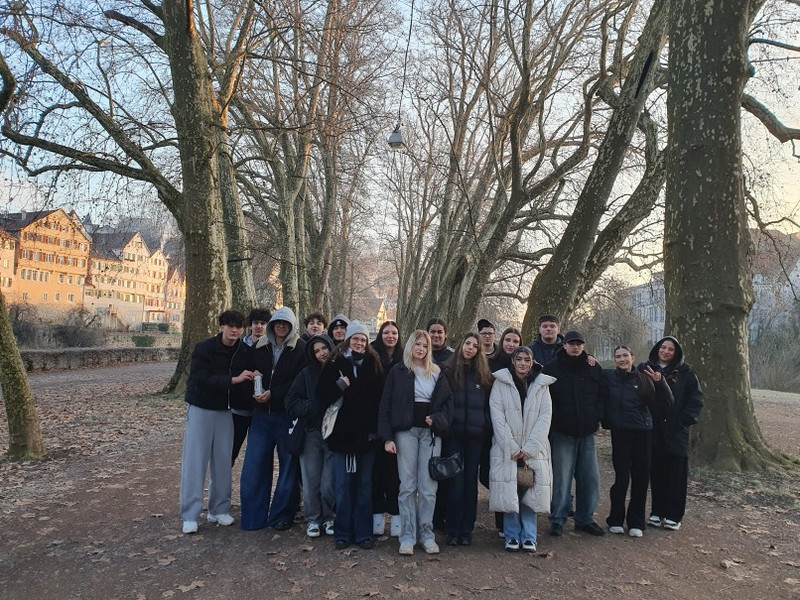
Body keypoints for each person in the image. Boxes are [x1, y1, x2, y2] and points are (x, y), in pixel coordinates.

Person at [179, 310, 255, 534]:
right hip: (201, 407)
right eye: (230, 326)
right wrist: (233, 380)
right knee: (196, 461)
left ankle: (219, 509)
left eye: (239, 327)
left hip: (226, 411)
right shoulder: (205, 348)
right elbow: (200, 378)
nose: (235, 330)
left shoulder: (245, 351)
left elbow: (253, 373)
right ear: (221, 326)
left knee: (223, 461)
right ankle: (191, 514)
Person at [378, 330, 453, 556]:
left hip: (430, 433)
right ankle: (407, 536)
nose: (420, 349)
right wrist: (387, 437)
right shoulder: (398, 372)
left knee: (428, 488)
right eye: (417, 344)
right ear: (410, 346)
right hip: (406, 432)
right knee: (408, 486)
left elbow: (448, 407)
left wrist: (437, 420)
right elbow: (386, 405)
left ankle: (427, 534)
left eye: (424, 345)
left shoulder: (438, 372)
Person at [317, 321, 384, 550]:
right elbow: (321, 395)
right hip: (342, 437)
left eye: (363, 340)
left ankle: (363, 532)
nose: (359, 343)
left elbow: (380, 400)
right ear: (348, 340)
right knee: (343, 486)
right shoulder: (335, 363)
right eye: (355, 339)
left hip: (366, 437)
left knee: (365, 485)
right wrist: (338, 387)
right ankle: (343, 532)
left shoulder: (374, 364)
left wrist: (376, 430)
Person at [240, 307, 307, 531]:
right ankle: (253, 516)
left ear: (291, 326)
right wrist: (254, 378)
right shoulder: (259, 347)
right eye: (278, 323)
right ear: (272, 326)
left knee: (288, 468)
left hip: (286, 417)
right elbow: (248, 371)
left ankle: (281, 515)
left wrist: (275, 394)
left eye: (285, 324)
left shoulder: (301, 349)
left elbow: (301, 381)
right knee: (255, 465)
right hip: (261, 417)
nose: (281, 327)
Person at [489, 346, 554, 552]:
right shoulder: (501, 383)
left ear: (532, 362)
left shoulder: (542, 385)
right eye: (519, 359)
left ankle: (529, 535)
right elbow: (497, 417)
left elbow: (545, 418)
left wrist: (529, 448)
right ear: (513, 361)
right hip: (507, 448)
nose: (523, 363)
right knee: (511, 491)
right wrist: (512, 446)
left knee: (530, 491)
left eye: (527, 359)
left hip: (532, 449)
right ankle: (511, 535)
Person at [603, 345, 672, 537]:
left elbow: (665, 403)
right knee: (621, 478)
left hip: (643, 432)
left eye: (625, 355)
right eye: (618, 356)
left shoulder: (644, 378)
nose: (622, 359)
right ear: (614, 359)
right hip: (620, 433)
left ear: (632, 357)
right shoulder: (609, 377)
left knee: (641, 478)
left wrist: (660, 383)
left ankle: (636, 521)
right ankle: (615, 519)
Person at [542, 331, 606, 537]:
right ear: (565, 345)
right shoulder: (552, 368)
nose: (576, 347)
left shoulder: (593, 367)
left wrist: (597, 417)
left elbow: (602, 394)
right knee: (561, 479)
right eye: (572, 343)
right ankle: (558, 519)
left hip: (587, 432)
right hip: (562, 432)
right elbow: (545, 399)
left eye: (579, 343)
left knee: (590, 479)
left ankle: (585, 518)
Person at [641, 336, 704, 531]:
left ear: (676, 353)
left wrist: (683, 421)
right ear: (657, 349)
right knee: (657, 473)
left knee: (676, 474)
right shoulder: (646, 368)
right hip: (654, 430)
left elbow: (696, 400)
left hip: (677, 431)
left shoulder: (686, 372)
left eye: (670, 349)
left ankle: (674, 515)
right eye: (663, 347)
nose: (666, 351)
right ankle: (657, 512)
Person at [442, 332, 493, 546]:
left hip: (475, 438)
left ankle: (466, 528)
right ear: (461, 344)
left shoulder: (483, 376)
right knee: (455, 482)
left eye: (475, 345)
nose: (470, 348)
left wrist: (484, 426)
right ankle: (453, 527)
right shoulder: (448, 371)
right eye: (468, 343)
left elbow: (489, 407)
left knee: (470, 483)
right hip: (454, 436)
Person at [285, 333, 337, 538]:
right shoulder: (306, 374)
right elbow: (290, 402)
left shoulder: (339, 370)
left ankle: (329, 517)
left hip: (334, 433)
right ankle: (313, 518)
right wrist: (310, 406)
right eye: (316, 351)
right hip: (311, 433)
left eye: (324, 348)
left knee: (329, 481)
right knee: (311, 479)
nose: (321, 353)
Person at [370, 321, 404, 538]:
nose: (390, 336)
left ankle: (396, 514)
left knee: (395, 474)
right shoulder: (371, 355)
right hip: (374, 421)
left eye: (394, 333)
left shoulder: (404, 358)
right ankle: (377, 516)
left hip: (398, 422)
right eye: (386, 333)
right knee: (376, 473)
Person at [234, 307, 271, 465]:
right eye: (256, 323)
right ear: (250, 325)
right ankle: (219, 488)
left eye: (263, 323)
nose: (259, 326)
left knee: (257, 455)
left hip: (261, 408)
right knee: (231, 450)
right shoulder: (238, 347)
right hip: (240, 407)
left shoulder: (272, 348)